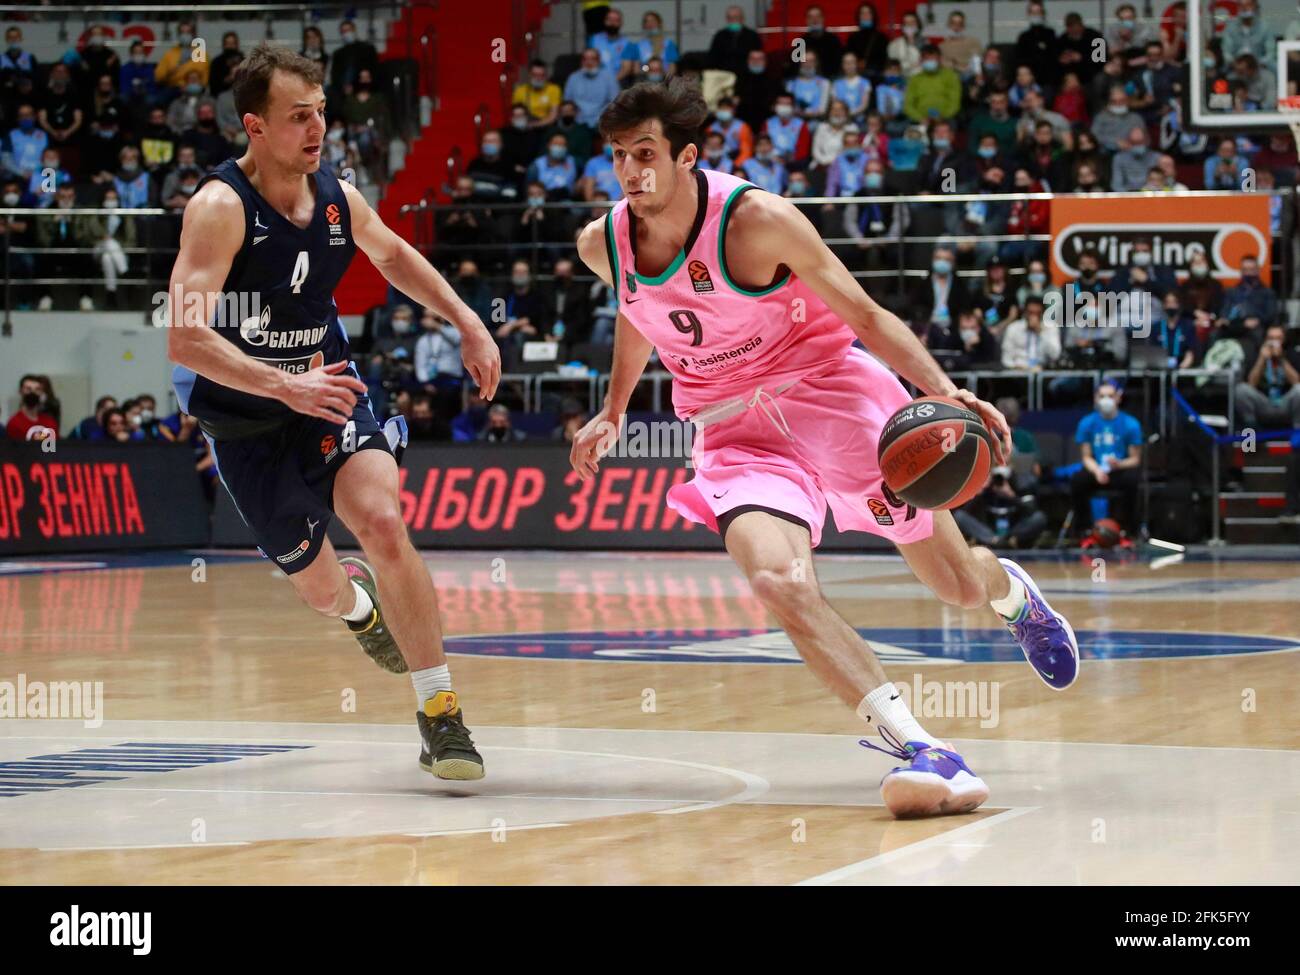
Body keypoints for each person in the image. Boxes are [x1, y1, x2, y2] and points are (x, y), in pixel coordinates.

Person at [571, 79, 1080, 820]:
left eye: (644, 154)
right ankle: (919, 748)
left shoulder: (760, 221)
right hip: (733, 429)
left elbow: (866, 314)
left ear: (686, 156)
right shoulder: (602, 243)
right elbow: (640, 310)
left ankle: (1011, 595)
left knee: (957, 586)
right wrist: (612, 410)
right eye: (617, 156)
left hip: (834, 396)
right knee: (778, 579)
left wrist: (944, 390)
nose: (629, 172)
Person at [166, 45, 500, 782]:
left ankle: (439, 711)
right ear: (254, 126)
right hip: (245, 422)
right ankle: (358, 610)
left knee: (382, 519)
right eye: (298, 117)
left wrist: (466, 320)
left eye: (321, 112)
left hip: (329, 392)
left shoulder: (339, 198)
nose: (317, 129)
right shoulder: (220, 209)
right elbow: (184, 337)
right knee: (319, 590)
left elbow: (393, 255)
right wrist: (281, 386)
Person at [1235, 325, 1300, 433]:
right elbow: (1251, 384)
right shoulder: (1257, 353)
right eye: (1271, 338)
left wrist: (1281, 359)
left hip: (1285, 404)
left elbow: (1296, 382)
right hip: (1264, 403)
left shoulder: (1291, 353)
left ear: (1284, 340)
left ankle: (1298, 432)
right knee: (1241, 389)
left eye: (1278, 338)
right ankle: (1251, 432)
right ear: (1265, 340)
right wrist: (1262, 359)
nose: (1274, 342)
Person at [5, 374, 58, 442]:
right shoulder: (14, 424)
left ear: (42, 393)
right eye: (28, 389)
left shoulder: (50, 423)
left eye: (37, 389)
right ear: (21, 391)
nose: (33, 392)